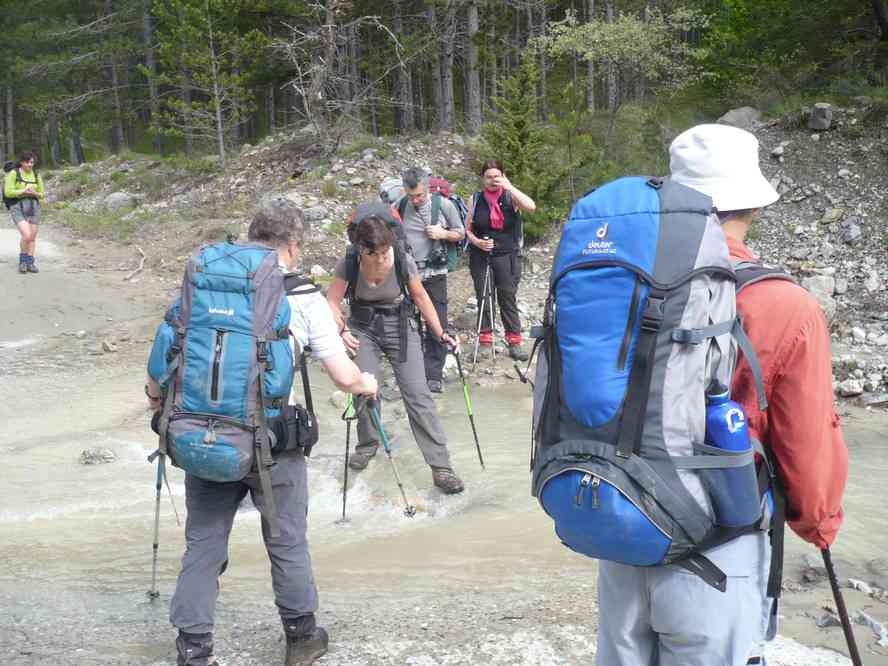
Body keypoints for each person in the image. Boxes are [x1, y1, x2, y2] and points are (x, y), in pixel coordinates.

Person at [595, 124, 849, 666]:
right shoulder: (785, 304)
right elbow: (805, 443)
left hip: (621, 529)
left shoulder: (621, 279)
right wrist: (818, 522)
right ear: (753, 203)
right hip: (718, 548)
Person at [146, 198, 378, 666]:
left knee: (205, 540)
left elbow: (160, 369)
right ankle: (301, 637)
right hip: (273, 443)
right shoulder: (303, 296)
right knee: (286, 535)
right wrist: (367, 383)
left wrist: (161, 407)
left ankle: (193, 647)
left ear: (251, 236)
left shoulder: (207, 286)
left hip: (203, 433)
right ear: (292, 245)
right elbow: (343, 377)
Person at [326, 214, 465, 494]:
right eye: (372, 254)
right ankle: (367, 445)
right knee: (364, 389)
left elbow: (421, 297)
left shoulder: (402, 259)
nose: (379, 259)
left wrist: (440, 332)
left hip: (399, 326)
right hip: (362, 328)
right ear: (360, 248)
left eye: (384, 252)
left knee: (417, 393)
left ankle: (441, 467)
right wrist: (341, 331)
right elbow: (331, 302)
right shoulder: (349, 262)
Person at [397, 167, 465, 393]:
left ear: (427, 188)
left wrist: (443, 234)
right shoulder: (401, 205)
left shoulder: (444, 205)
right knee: (410, 324)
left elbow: (461, 232)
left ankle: (434, 375)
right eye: (411, 195)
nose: (415, 200)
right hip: (408, 275)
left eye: (419, 195)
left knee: (438, 322)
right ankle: (413, 372)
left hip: (435, 273)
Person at [464, 159, 535, 361]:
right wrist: (477, 242)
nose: (493, 180)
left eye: (497, 176)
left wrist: (510, 186)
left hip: (507, 255)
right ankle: (486, 342)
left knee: (507, 297)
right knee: (484, 296)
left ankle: (514, 341)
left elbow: (531, 207)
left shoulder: (510, 196)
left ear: (503, 176)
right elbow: (467, 228)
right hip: (481, 255)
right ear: (483, 179)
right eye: (489, 177)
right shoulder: (476, 199)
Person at [5, 152, 45, 274]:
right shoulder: (14, 173)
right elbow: (8, 192)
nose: (30, 165)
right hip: (17, 206)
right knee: (27, 235)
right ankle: (22, 261)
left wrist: (34, 193)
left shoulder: (37, 174)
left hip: (34, 206)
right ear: (22, 162)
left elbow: (42, 194)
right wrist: (24, 190)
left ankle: (30, 263)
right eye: (28, 162)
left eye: (32, 162)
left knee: (32, 237)